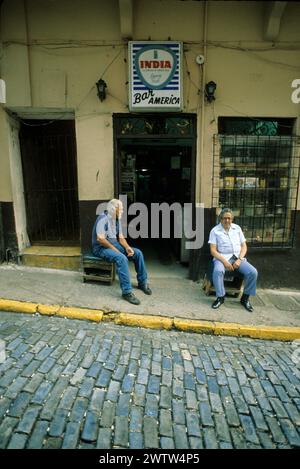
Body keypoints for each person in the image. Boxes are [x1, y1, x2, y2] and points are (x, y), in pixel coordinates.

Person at [92, 199, 152, 305]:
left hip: (114, 245)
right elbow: (100, 239)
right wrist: (116, 250)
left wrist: (128, 248)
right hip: (101, 248)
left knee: (137, 253)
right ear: (113, 209)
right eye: (121, 209)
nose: (123, 211)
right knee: (121, 258)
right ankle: (127, 292)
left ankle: (142, 283)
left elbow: (121, 238)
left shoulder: (117, 219)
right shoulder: (102, 218)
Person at [208, 208, 258, 312]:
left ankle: (245, 299)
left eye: (229, 218)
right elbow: (213, 251)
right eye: (224, 218)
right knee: (218, 271)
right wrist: (225, 262)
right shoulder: (215, 230)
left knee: (253, 272)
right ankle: (220, 297)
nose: (227, 220)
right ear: (220, 219)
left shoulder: (237, 228)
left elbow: (244, 246)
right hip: (221, 258)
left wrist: (239, 259)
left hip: (237, 258)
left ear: (232, 219)